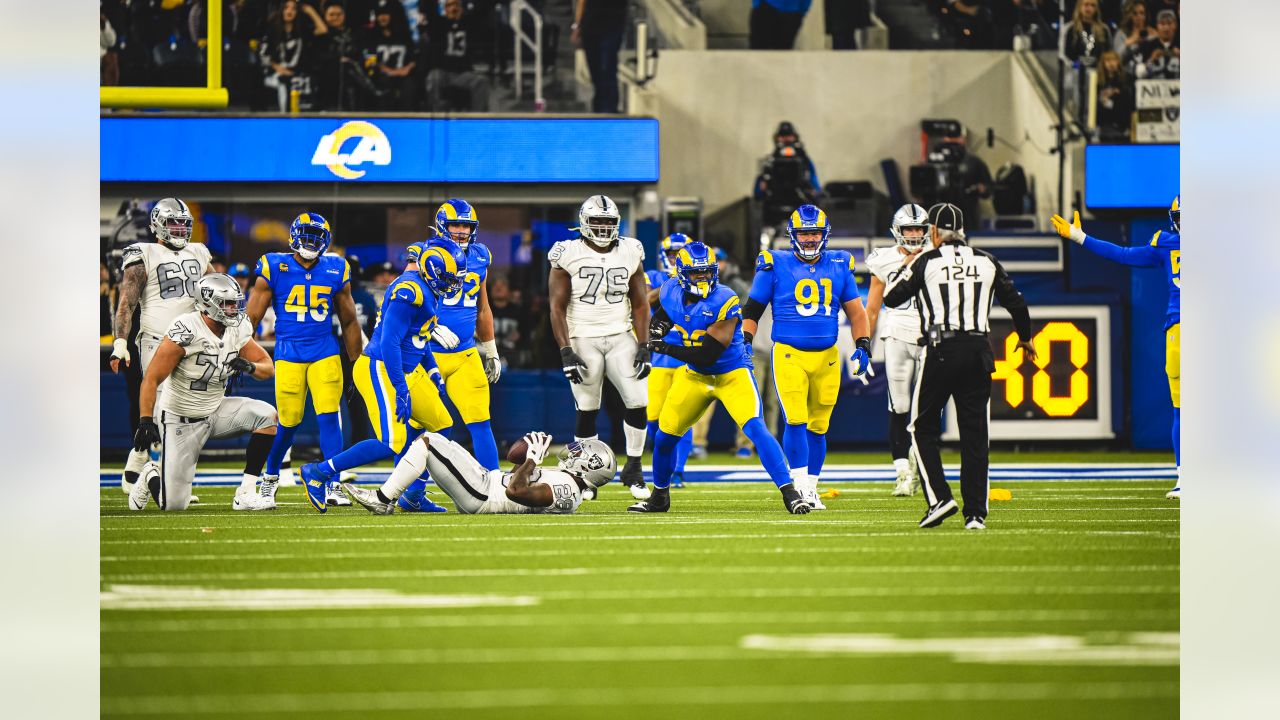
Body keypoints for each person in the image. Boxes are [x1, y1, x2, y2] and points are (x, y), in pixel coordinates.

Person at [883, 203, 1036, 530]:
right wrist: (1025, 338)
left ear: (934, 232)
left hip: (940, 349)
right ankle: (975, 514)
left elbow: (892, 297)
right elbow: (1017, 303)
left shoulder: (927, 261)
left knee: (920, 428)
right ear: (964, 231)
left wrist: (907, 266)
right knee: (975, 435)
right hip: (979, 350)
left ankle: (940, 498)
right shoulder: (987, 260)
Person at [636, 242, 811, 515]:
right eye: (696, 273)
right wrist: (658, 328)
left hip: (730, 373)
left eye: (707, 272)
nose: (703, 278)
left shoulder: (724, 298)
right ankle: (659, 496)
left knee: (755, 429)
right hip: (695, 377)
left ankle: (791, 492)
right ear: (681, 275)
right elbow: (665, 314)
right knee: (664, 437)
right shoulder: (670, 289)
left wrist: (663, 347)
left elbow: (707, 355)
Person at [297, 238, 467, 513]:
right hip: (381, 367)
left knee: (441, 424)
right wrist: (401, 388)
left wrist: (433, 370)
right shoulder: (410, 291)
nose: (453, 284)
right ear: (433, 271)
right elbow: (390, 343)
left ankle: (413, 495)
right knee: (392, 441)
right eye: (449, 278)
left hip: (406, 370)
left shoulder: (427, 288)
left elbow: (418, 339)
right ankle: (319, 471)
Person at [741, 205, 872, 509]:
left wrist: (863, 344)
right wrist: (745, 339)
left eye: (814, 233)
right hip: (789, 353)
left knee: (820, 425)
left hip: (827, 354)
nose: (810, 239)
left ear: (824, 235)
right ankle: (799, 486)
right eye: (804, 233)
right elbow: (753, 308)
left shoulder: (840, 265)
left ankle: (811, 487)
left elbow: (857, 312)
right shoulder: (775, 263)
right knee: (796, 420)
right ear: (793, 235)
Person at [1051, 197, 1180, 498]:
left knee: (1184, 410)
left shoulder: (1168, 242)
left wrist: (1079, 237)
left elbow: (1123, 254)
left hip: (1181, 327)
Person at [127, 274, 278, 512]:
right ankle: (150, 474)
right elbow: (152, 378)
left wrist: (250, 367)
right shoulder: (186, 329)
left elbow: (268, 367)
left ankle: (246, 493)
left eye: (235, 303)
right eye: (227, 303)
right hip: (181, 419)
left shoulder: (236, 328)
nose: (233, 309)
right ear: (208, 302)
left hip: (216, 410)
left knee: (268, 416)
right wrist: (145, 420)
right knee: (173, 506)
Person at [244, 213, 364, 509]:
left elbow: (349, 321)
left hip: (324, 351)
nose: (311, 242)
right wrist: (240, 350)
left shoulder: (336, 267)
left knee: (329, 418)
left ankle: (332, 481)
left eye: (316, 235)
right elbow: (251, 319)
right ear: (294, 236)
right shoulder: (274, 265)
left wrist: (357, 363)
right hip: (289, 352)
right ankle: (270, 478)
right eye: (306, 234)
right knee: (288, 422)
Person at [394, 199, 504, 512]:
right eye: (456, 225)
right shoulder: (422, 251)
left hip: (466, 353)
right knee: (421, 428)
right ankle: (410, 493)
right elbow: (404, 292)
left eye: (466, 226)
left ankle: (495, 489)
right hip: (427, 354)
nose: (461, 231)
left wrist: (490, 347)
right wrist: (431, 325)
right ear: (443, 224)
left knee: (481, 422)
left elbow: (482, 306)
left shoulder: (481, 255)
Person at [548, 195, 651, 500]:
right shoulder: (566, 252)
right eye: (598, 222)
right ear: (584, 223)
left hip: (620, 334)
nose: (604, 228)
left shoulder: (631, 250)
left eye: (609, 222)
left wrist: (644, 344)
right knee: (588, 407)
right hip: (583, 336)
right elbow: (556, 308)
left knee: (637, 400)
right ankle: (585, 476)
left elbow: (641, 302)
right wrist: (566, 350)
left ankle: (634, 467)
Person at [109, 198, 213, 498]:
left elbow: (213, 291)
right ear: (157, 225)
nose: (180, 229)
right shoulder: (143, 252)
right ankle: (163, 479)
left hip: (192, 341)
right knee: (163, 410)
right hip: (157, 337)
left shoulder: (199, 251)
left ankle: (138, 464)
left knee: (179, 410)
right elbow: (126, 303)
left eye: (184, 223)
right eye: (173, 223)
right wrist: (120, 343)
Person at [343, 431, 616, 515]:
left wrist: (532, 461)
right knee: (437, 440)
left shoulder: (567, 491)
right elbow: (516, 477)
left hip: (484, 495)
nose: (574, 451)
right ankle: (400, 498)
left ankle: (383, 498)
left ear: (589, 466)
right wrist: (526, 459)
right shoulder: (566, 481)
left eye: (582, 453)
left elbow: (516, 492)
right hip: (488, 482)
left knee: (428, 443)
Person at [863, 204, 930, 497]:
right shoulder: (884, 259)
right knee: (899, 406)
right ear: (897, 231)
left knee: (927, 408)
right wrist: (863, 345)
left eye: (919, 228)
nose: (914, 234)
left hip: (931, 336)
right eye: (909, 229)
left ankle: (922, 464)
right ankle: (902, 472)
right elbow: (872, 309)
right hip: (897, 335)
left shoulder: (936, 254)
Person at [645, 234, 695, 488]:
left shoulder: (700, 275)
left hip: (688, 354)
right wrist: (674, 281)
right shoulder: (655, 276)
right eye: (673, 253)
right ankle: (664, 463)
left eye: (681, 253)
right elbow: (644, 301)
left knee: (683, 417)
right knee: (653, 416)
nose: (676, 258)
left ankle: (678, 470)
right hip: (661, 356)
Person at [423, 0, 490, 111]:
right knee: (433, 78)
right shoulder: (438, 24)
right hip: (442, 73)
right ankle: (439, 120)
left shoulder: (469, 23)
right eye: (449, 5)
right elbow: (429, 7)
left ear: (462, 8)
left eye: (456, 5)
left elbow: (483, 7)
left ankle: (476, 123)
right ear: (445, 9)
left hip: (463, 74)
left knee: (482, 81)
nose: (453, 8)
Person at [754, 122, 822, 228]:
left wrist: (814, 192)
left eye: (789, 136)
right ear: (777, 139)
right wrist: (762, 188)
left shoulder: (804, 161)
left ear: (795, 138)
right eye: (782, 136)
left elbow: (815, 184)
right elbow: (758, 191)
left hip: (800, 205)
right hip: (775, 208)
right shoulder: (770, 161)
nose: (786, 140)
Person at [259, 0, 324, 112]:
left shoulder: (302, 31)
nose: (290, 11)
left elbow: (322, 30)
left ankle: (308, 115)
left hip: (296, 72)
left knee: (307, 81)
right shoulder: (272, 30)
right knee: (283, 82)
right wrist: (278, 68)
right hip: (274, 73)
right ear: (282, 10)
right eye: (286, 8)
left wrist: (310, 11)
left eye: (293, 8)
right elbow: (263, 55)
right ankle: (285, 116)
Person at [573, 0, 628, 113]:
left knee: (608, 67)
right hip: (590, 25)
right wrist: (577, 26)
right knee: (595, 71)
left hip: (613, 24)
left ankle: (609, 108)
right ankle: (599, 107)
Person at [366, 0, 418, 110]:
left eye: (385, 14)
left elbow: (415, 59)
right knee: (382, 85)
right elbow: (370, 59)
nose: (382, 18)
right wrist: (387, 70)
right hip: (381, 77)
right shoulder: (372, 37)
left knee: (409, 86)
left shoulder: (405, 36)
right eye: (379, 15)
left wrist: (406, 69)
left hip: (403, 75)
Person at [488, 274, 531, 368]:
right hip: (486, 357)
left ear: (509, 291)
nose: (498, 287)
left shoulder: (520, 312)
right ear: (490, 290)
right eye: (495, 285)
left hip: (514, 359)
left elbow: (527, 336)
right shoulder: (482, 312)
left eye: (502, 284)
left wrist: (520, 337)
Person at [1096, 50, 1134, 142]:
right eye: (1108, 61)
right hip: (1104, 126)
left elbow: (1126, 104)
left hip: (1121, 126)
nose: (1111, 64)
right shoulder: (1098, 82)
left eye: (1113, 60)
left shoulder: (1126, 79)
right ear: (1103, 63)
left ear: (1118, 62)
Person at [1064, 0, 1111, 69]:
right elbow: (1064, 54)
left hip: (1098, 73)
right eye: (1086, 4)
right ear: (1079, 6)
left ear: (1096, 9)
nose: (1089, 8)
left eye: (1093, 5)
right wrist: (1074, 66)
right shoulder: (1070, 28)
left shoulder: (1104, 30)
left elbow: (1108, 54)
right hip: (1074, 72)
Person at [1133, 9, 1178, 79]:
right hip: (1152, 88)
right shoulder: (1147, 46)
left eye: (1169, 23)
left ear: (1175, 25)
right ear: (1157, 26)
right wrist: (1151, 59)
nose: (1166, 28)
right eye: (1162, 24)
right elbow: (1139, 74)